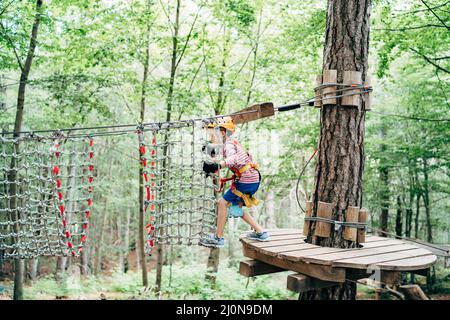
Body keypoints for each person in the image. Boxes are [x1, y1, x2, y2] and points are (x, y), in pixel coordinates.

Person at [199, 117, 269, 248]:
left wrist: (218, 165)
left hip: (246, 180)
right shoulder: (230, 143)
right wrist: (212, 157)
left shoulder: (229, 144)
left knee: (222, 203)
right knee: (236, 209)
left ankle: (218, 238)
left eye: (214, 133)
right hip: (252, 179)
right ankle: (261, 232)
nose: (212, 136)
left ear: (223, 133)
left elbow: (233, 158)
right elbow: (223, 154)